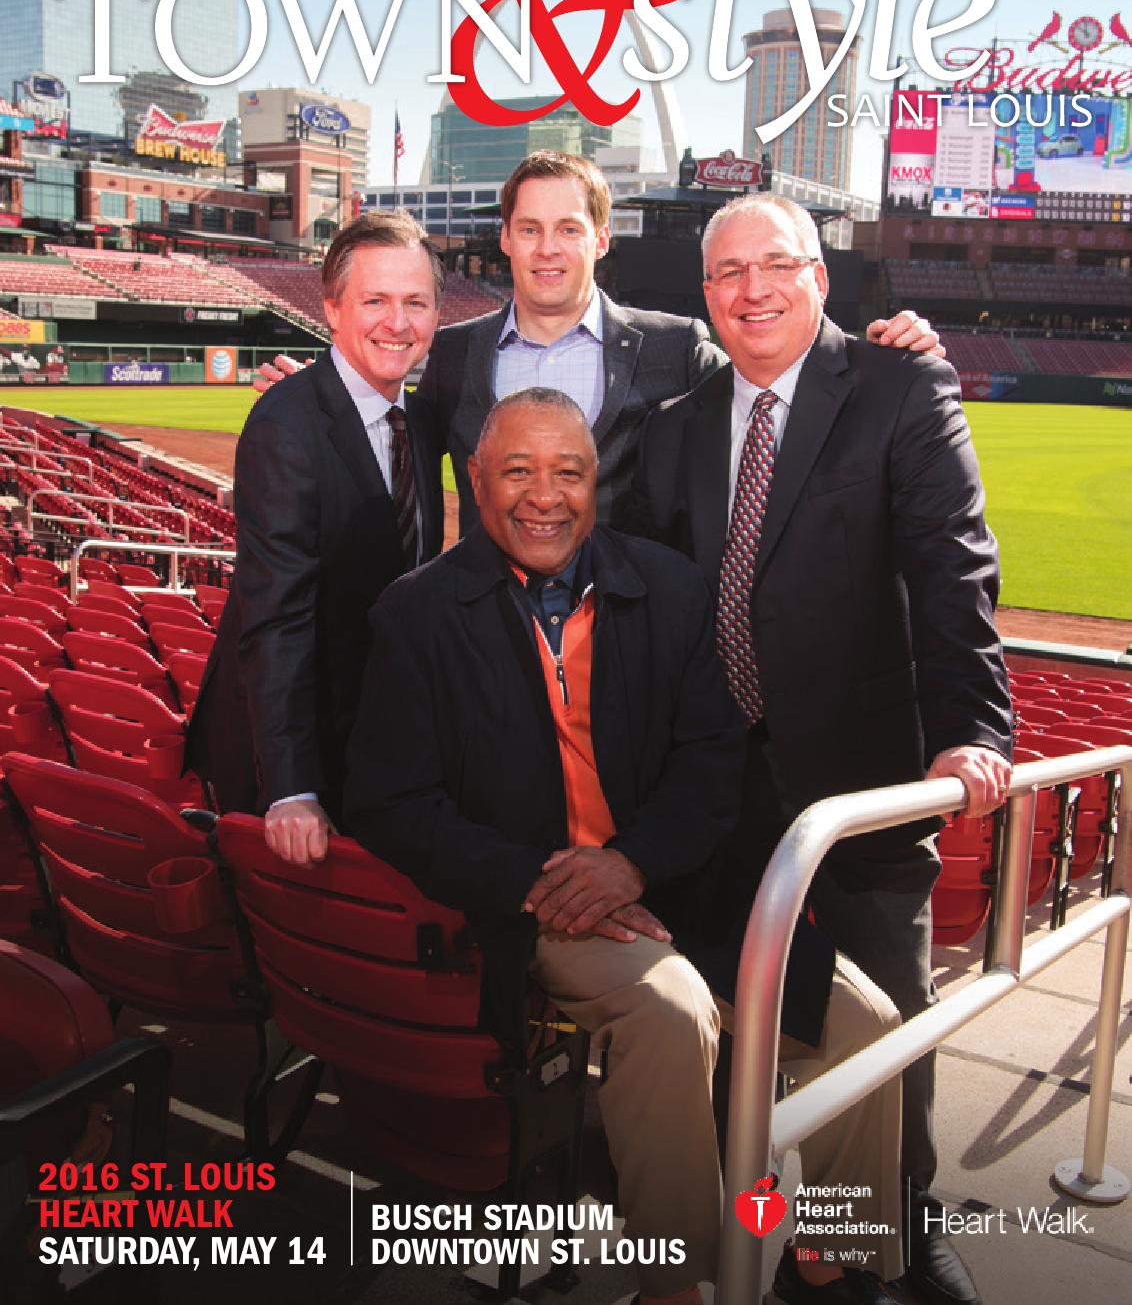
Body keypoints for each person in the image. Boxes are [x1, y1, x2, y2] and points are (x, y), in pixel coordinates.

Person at [346, 388, 906, 1305]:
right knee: (674, 1011)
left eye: (569, 472)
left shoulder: (667, 585)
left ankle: (831, 1263)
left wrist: (634, 862)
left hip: (673, 880)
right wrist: (540, 880)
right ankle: (677, 1283)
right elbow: (393, 801)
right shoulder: (417, 613)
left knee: (865, 1025)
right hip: (537, 906)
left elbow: (710, 757)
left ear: (596, 485)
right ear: (476, 482)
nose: (545, 495)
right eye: (518, 471)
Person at [628, 195, 1014, 1305]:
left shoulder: (899, 386)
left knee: (890, 1026)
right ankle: (758, 1226)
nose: (753, 289)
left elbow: (956, 568)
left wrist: (973, 731)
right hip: (718, 791)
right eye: (728, 272)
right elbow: (658, 606)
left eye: (777, 265)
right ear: (703, 295)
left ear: (820, 276)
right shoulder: (677, 423)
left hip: (863, 783)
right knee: (735, 1025)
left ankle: (889, 1228)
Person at [255, 150, 942, 532]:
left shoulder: (677, 348)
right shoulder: (457, 354)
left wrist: (876, 348)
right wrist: (319, 399)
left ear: (602, 239)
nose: (548, 249)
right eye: (530, 229)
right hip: (486, 641)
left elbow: (777, 357)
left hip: (627, 646)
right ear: (506, 239)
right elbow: (387, 434)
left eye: (569, 229)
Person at [185, 212, 443, 864]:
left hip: (370, 727)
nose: (398, 322)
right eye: (375, 301)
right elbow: (277, 620)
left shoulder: (421, 416)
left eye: (416, 302)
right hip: (296, 748)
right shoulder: (286, 428)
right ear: (331, 308)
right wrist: (291, 786)